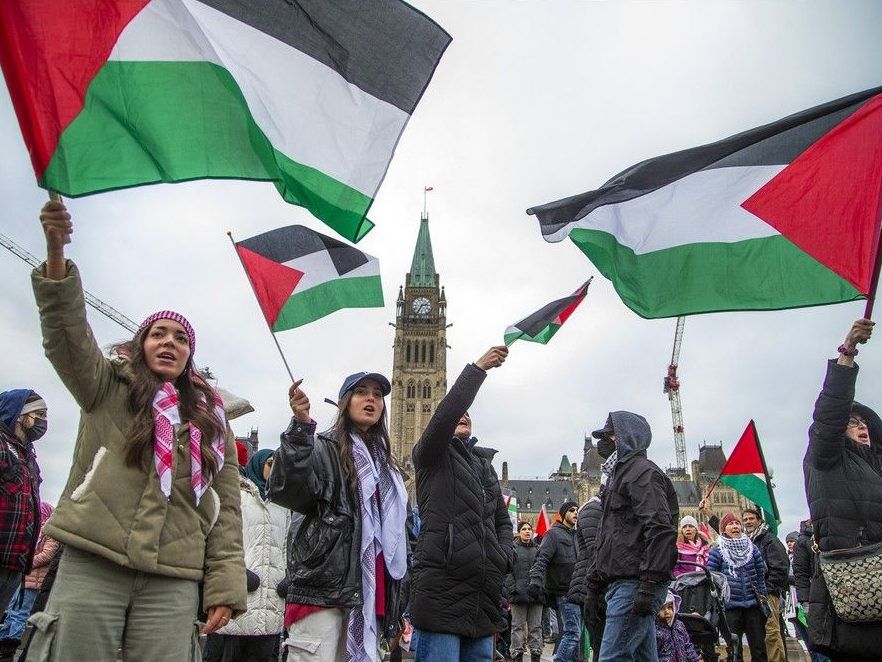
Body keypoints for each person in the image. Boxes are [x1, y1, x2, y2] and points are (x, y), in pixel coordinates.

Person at [27, 200, 246, 661]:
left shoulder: (212, 420)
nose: (169, 342)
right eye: (158, 334)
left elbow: (225, 511)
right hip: (95, 560)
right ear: (140, 344)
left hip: (173, 576)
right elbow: (67, 335)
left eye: (181, 338)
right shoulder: (105, 384)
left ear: (190, 355)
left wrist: (224, 584)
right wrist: (55, 256)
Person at [267, 371, 409, 661]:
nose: (371, 398)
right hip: (324, 591)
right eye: (361, 392)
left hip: (370, 598)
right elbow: (284, 488)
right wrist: (300, 429)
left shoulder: (389, 469)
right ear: (345, 403)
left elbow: (398, 536)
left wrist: (398, 602)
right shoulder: (321, 447)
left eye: (378, 394)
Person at [408, 346, 512, 662]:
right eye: (457, 413)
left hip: (482, 596)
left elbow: (502, 521)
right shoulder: (430, 456)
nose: (463, 415)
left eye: (467, 413)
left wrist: (501, 558)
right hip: (441, 592)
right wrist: (477, 369)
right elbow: (447, 414)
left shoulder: (484, 465)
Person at [803, 317, 882, 661]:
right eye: (853, 422)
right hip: (850, 596)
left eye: (864, 421)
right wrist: (847, 355)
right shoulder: (827, 458)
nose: (861, 425)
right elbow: (830, 416)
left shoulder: (876, 464)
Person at [586, 411, 679, 662]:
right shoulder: (617, 477)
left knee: (613, 657)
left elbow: (660, 530)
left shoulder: (641, 473)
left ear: (626, 437)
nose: (603, 442)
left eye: (609, 435)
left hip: (635, 581)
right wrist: (593, 587)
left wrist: (649, 584)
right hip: (623, 581)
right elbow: (606, 539)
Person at [204, 449, 290, 662]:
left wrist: (289, 577)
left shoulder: (284, 504)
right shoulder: (236, 495)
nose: (275, 469)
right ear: (258, 464)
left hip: (269, 606)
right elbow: (217, 539)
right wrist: (237, 574)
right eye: (271, 463)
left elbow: (288, 547)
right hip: (236, 603)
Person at [566, 434, 616, 662]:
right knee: (602, 646)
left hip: (596, 590)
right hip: (598, 591)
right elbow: (598, 553)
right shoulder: (594, 511)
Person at [0, 389, 46, 613]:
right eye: (39, 414)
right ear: (21, 414)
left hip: (14, 563)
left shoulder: (29, 456)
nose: (43, 421)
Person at [706, 513, 768, 662]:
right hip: (730, 607)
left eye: (737, 523)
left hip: (753, 606)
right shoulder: (717, 551)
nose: (735, 526)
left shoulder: (752, 549)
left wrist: (763, 599)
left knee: (759, 649)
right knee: (735, 652)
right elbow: (711, 579)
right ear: (723, 529)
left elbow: (761, 576)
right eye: (730, 524)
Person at [0, 502, 57, 660]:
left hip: (34, 580)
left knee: (20, 613)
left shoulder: (49, 532)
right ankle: (4, 641)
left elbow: (48, 554)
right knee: (12, 610)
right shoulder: (35, 529)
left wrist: (26, 560)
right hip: (25, 577)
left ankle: (8, 647)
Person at [529, 501, 581, 662]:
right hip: (562, 590)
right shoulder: (553, 534)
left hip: (578, 591)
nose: (575, 513)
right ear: (564, 513)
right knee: (573, 633)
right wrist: (535, 581)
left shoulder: (578, 535)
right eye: (572, 510)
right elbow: (541, 559)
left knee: (576, 637)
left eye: (577, 510)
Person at [741, 508, 788, 662]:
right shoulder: (747, 541)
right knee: (759, 635)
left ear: (759, 520)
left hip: (767, 594)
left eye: (751, 519)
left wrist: (768, 590)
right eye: (745, 519)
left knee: (771, 633)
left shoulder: (769, 539)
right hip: (754, 594)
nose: (748, 522)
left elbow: (781, 567)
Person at [505, 521, 543, 662]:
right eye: (524, 529)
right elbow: (507, 571)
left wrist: (540, 588)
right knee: (517, 627)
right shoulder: (512, 549)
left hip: (536, 596)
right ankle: (517, 655)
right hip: (517, 595)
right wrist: (513, 589)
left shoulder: (538, 550)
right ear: (519, 532)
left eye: (529, 529)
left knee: (535, 628)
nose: (527, 532)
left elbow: (543, 570)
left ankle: (536, 654)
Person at [654, 590, 700, 662]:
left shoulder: (679, 625)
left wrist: (693, 659)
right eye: (662, 608)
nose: (667, 611)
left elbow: (687, 645)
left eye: (669, 607)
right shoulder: (655, 630)